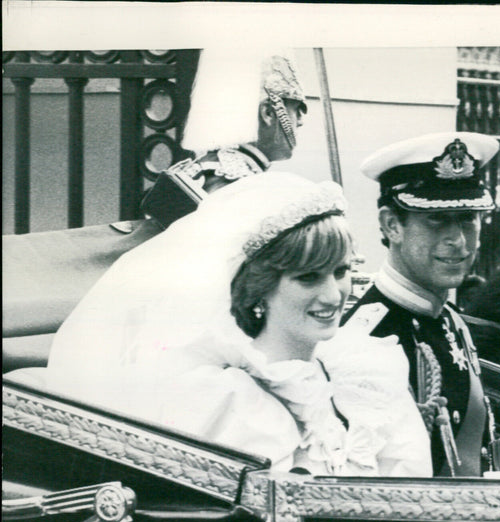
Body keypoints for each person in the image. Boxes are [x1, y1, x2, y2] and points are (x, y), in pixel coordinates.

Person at [45, 172, 432, 477]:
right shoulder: (217, 401)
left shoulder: (366, 379)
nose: (334, 295)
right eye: (309, 278)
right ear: (260, 289)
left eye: (341, 271)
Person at [342, 132, 500, 477]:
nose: (458, 240)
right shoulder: (366, 339)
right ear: (392, 225)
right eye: (437, 220)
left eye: (468, 218)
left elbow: (469, 466)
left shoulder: (451, 321)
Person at [140, 48, 307, 228]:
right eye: (297, 110)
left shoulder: (211, 164)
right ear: (268, 113)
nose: (300, 121)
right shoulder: (238, 181)